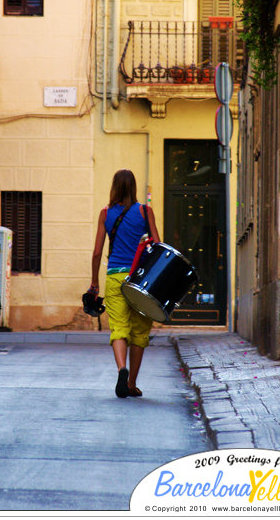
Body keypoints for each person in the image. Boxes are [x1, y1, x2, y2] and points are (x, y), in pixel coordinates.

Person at [87, 169, 160, 398]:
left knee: (119, 328)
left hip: (114, 276)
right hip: (140, 279)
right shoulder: (145, 211)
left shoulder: (105, 213)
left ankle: (121, 368)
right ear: (134, 187)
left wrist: (94, 284)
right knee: (139, 331)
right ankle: (131, 383)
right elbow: (158, 245)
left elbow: (97, 252)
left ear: (114, 187)